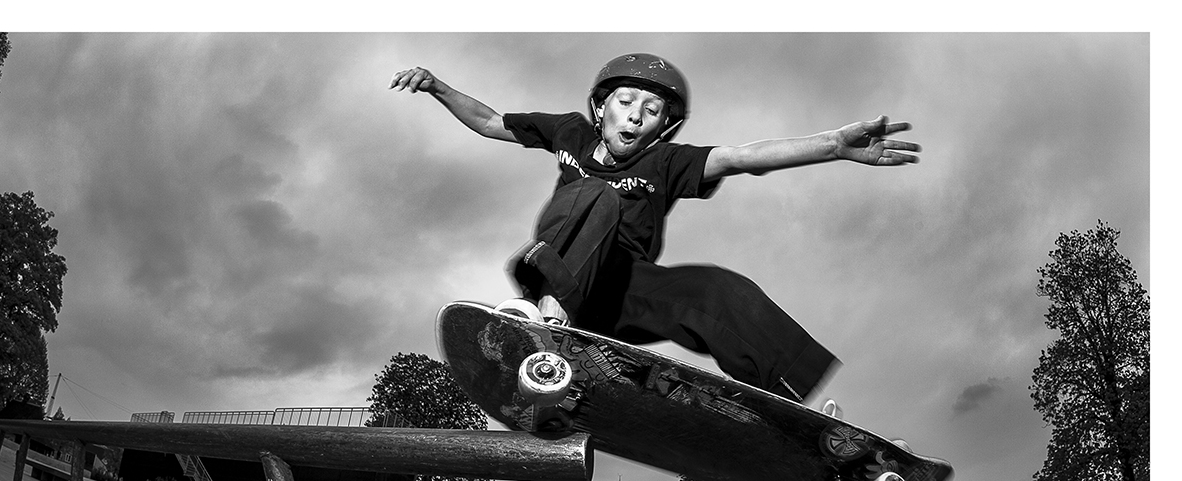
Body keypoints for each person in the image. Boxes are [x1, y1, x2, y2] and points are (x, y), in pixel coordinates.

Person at [390, 53, 920, 404]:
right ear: (600, 109)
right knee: (595, 193)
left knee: (712, 289)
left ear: (663, 125)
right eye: (625, 102)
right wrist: (438, 87)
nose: (636, 116)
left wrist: (832, 145)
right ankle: (546, 325)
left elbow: (740, 157)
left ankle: (786, 399)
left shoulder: (666, 161)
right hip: (564, 276)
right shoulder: (569, 133)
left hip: (625, 294)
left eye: (652, 110)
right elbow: (489, 122)